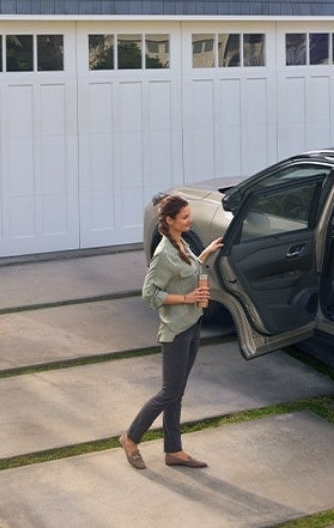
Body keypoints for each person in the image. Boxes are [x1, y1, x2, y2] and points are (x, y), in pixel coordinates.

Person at [120, 195, 223, 469]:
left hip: (192, 324)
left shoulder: (181, 242)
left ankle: (173, 450)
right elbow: (149, 293)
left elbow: (187, 270)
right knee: (168, 392)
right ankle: (130, 438)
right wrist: (187, 299)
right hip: (176, 330)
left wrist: (206, 253)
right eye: (185, 217)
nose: (190, 220)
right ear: (169, 220)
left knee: (177, 391)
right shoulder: (164, 253)